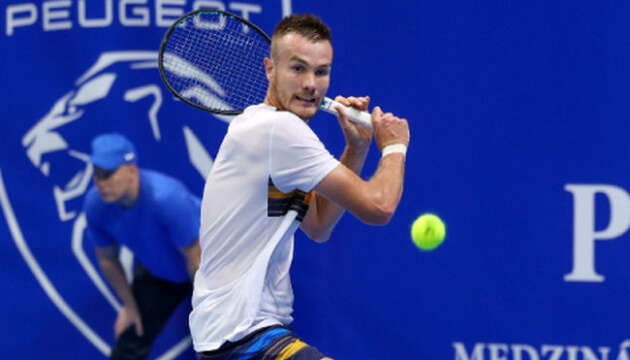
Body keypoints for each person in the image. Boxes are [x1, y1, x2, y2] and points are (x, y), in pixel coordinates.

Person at [190, 14, 410, 359]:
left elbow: (319, 224)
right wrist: (395, 147)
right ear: (269, 69)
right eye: (298, 69)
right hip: (244, 334)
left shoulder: (267, 130)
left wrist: (357, 148)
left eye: (321, 72)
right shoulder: (278, 131)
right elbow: (379, 207)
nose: (311, 83)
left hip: (239, 335)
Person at [83, 133, 201, 360]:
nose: (100, 183)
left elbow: (196, 257)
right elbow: (107, 259)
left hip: (207, 265)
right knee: (130, 335)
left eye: (107, 174)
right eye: (96, 174)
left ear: (131, 170)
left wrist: (209, 308)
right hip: (159, 273)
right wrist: (129, 305)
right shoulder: (95, 205)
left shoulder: (166, 198)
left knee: (221, 341)